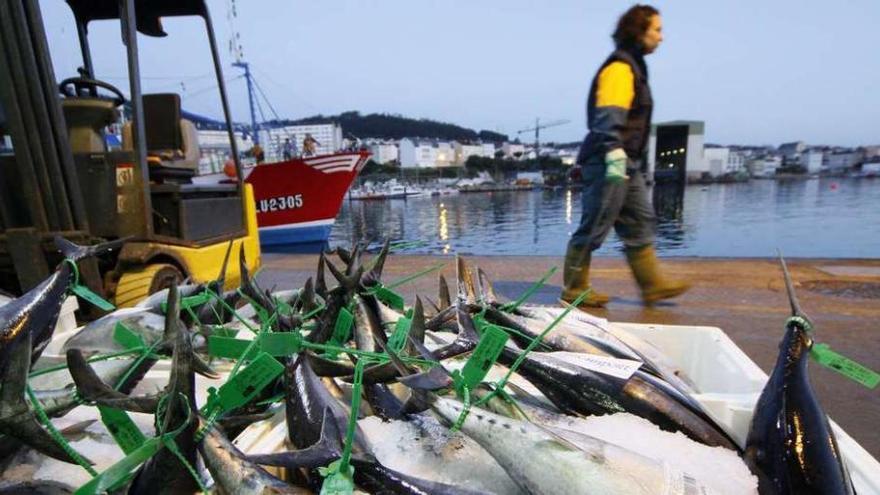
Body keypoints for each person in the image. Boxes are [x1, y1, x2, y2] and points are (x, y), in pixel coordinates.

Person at [561, 4, 689, 308]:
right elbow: (608, 117)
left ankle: (652, 285)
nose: (661, 37)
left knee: (640, 220)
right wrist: (613, 152)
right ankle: (574, 288)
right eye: (657, 30)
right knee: (596, 223)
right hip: (609, 158)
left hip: (625, 161)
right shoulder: (620, 68)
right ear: (638, 31)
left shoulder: (634, 66)